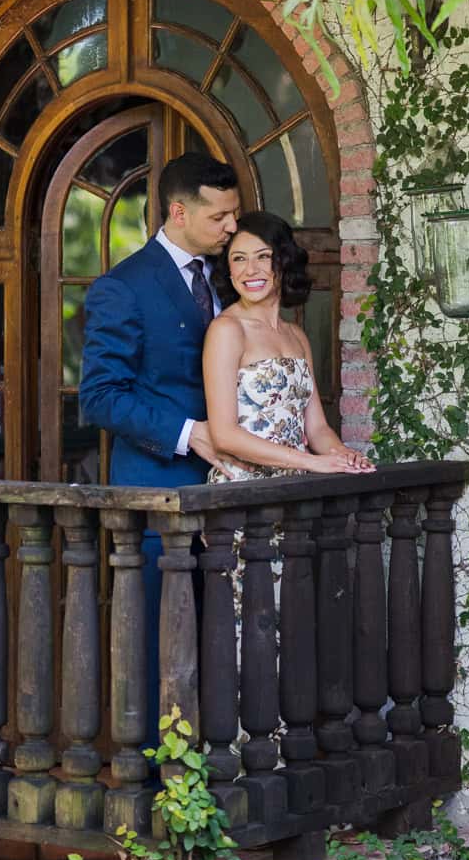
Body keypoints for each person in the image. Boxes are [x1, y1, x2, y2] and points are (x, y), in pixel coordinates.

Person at [78, 151, 240, 740]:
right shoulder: (123, 287)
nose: (230, 227)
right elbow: (99, 396)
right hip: (155, 493)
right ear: (178, 211)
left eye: (234, 215)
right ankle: (154, 786)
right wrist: (186, 433)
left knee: (218, 636)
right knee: (157, 641)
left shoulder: (227, 275)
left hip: (226, 494)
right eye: (220, 216)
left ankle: (212, 768)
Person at [203, 212, 372, 480]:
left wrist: (343, 455)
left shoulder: (296, 336)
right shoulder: (226, 330)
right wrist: (310, 462)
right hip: (242, 489)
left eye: (263, 256)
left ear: (284, 261)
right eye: (239, 259)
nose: (250, 269)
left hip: (293, 487)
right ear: (229, 269)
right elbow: (225, 436)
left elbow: (316, 428)